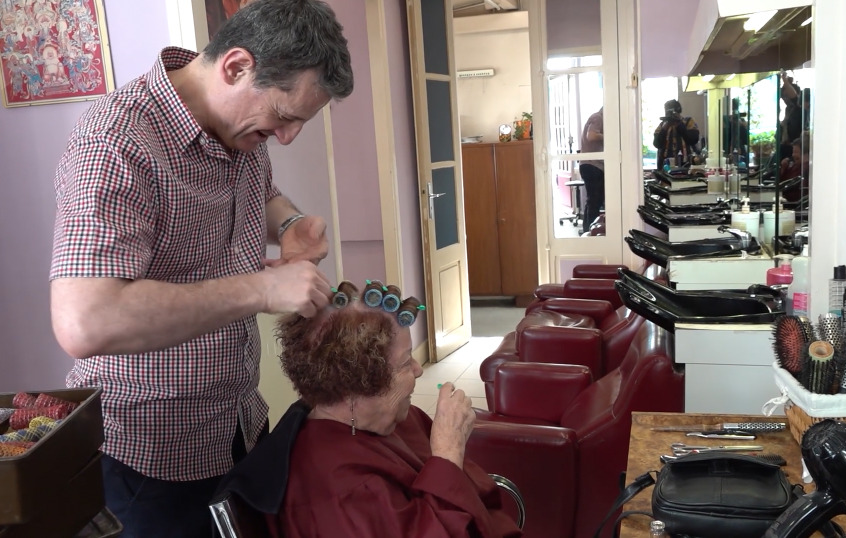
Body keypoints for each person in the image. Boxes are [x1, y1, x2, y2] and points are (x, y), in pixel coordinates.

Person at [48, 1, 354, 536]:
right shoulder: (116, 142)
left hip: (236, 425)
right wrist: (263, 289)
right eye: (284, 117)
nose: (287, 137)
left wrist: (289, 224)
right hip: (148, 458)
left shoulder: (237, 125)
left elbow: (259, 191)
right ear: (236, 67)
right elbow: (85, 320)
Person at [270, 282, 522, 537]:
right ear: (357, 385)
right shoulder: (340, 492)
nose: (418, 369)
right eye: (405, 363)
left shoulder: (397, 417)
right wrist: (447, 454)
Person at [653, 99, 700, 170]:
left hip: (685, 164)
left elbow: (693, 140)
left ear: (678, 110)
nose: (669, 113)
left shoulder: (688, 122)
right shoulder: (662, 125)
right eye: (667, 111)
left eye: (671, 111)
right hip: (665, 166)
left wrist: (679, 124)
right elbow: (656, 144)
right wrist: (664, 128)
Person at [579, 106, 604, 232]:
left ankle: (587, 231)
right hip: (592, 165)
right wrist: (609, 136)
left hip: (590, 164)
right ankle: (591, 232)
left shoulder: (596, 117)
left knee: (592, 201)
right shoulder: (598, 118)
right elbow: (591, 136)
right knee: (595, 201)